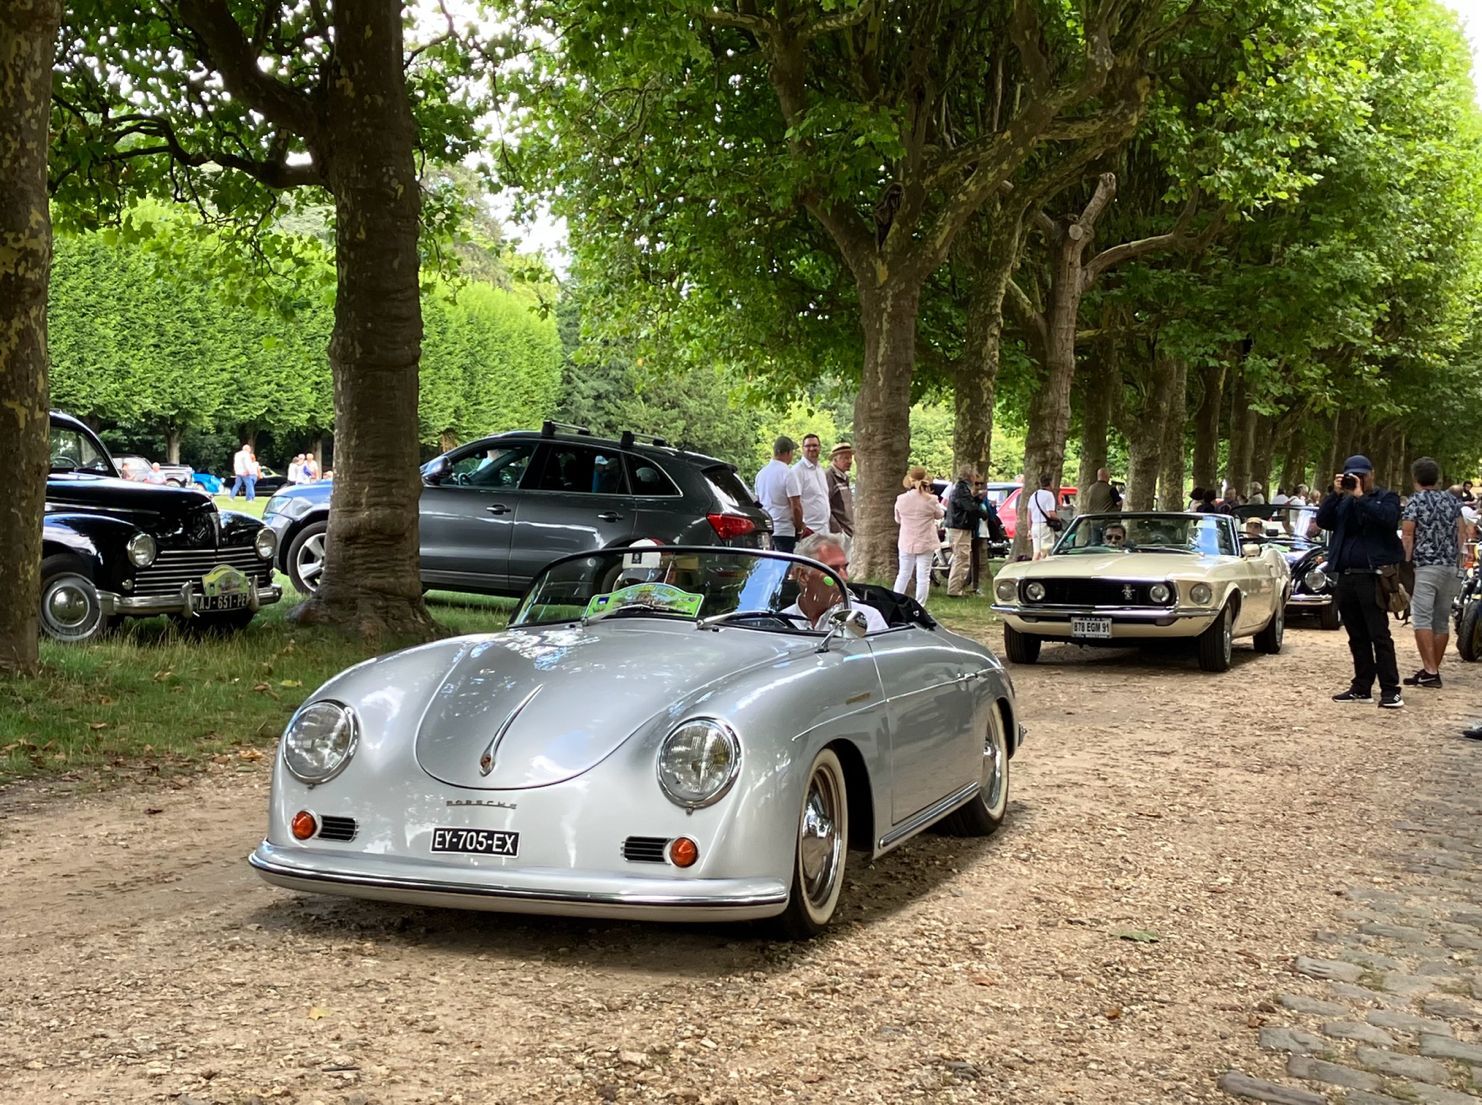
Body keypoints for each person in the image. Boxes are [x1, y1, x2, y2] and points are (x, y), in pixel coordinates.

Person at [1316, 454, 1405, 708]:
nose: (1357, 479)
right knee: (1356, 635)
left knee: (1380, 635)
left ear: (1371, 475)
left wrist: (1360, 496)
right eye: (1352, 475)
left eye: (1361, 475)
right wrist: (1334, 495)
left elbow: (1388, 519)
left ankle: (1390, 689)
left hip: (1373, 577)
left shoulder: (1386, 498)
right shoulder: (1343, 501)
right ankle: (1362, 686)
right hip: (1346, 576)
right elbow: (1323, 521)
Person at [1400, 457, 1467, 689]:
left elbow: (1408, 534)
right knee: (1441, 620)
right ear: (1437, 478)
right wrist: (1454, 556)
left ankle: (1430, 669)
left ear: (1415, 478)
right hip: (1450, 567)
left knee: (1421, 618)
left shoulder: (1415, 502)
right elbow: (1462, 532)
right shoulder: (1452, 501)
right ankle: (1432, 670)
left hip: (1426, 566)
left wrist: (1406, 561)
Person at [784, 533, 888, 634]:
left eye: (845, 568)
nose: (844, 577)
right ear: (803, 576)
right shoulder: (779, 622)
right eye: (833, 570)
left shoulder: (867, 618)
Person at [893, 466, 944, 605]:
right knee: (923, 576)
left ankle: (895, 601)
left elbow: (898, 519)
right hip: (926, 541)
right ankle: (920, 605)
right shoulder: (931, 499)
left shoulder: (901, 499)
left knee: (903, 574)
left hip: (906, 540)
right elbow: (940, 514)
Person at [755, 436, 804, 552]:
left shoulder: (761, 474)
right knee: (785, 567)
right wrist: (799, 528)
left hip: (766, 530)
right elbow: (796, 506)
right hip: (785, 530)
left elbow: (757, 503)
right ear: (788, 452)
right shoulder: (788, 474)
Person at [944, 465, 979, 596]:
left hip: (958, 525)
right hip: (960, 526)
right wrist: (980, 510)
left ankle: (956, 588)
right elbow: (969, 507)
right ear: (969, 476)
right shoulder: (961, 489)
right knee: (962, 557)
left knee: (961, 556)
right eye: (974, 474)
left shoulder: (959, 488)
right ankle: (955, 589)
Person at [792, 433, 831, 540]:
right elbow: (794, 502)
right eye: (808, 446)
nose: (812, 448)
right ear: (802, 449)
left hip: (824, 529)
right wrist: (801, 528)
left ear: (820, 447)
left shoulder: (820, 470)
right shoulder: (797, 471)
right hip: (809, 531)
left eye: (815, 445)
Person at [826, 442, 854, 548]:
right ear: (835, 459)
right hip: (839, 533)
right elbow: (826, 505)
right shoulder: (829, 476)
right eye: (845, 458)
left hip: (848, 530)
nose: (849, 461)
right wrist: (838, 530)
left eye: (850, 458)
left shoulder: (844, 477)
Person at [1028, 473, 1059, 560]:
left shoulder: (1033, 495)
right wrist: (1059, 519)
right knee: (1045, 552)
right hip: (1044, 526)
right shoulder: (1049, 495)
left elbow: (1028, 514)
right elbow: (1051, 514)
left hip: (1034, 526)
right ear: (1050, 483)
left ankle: (1032, 569)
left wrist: (1029, 529)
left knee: (1036, 552)